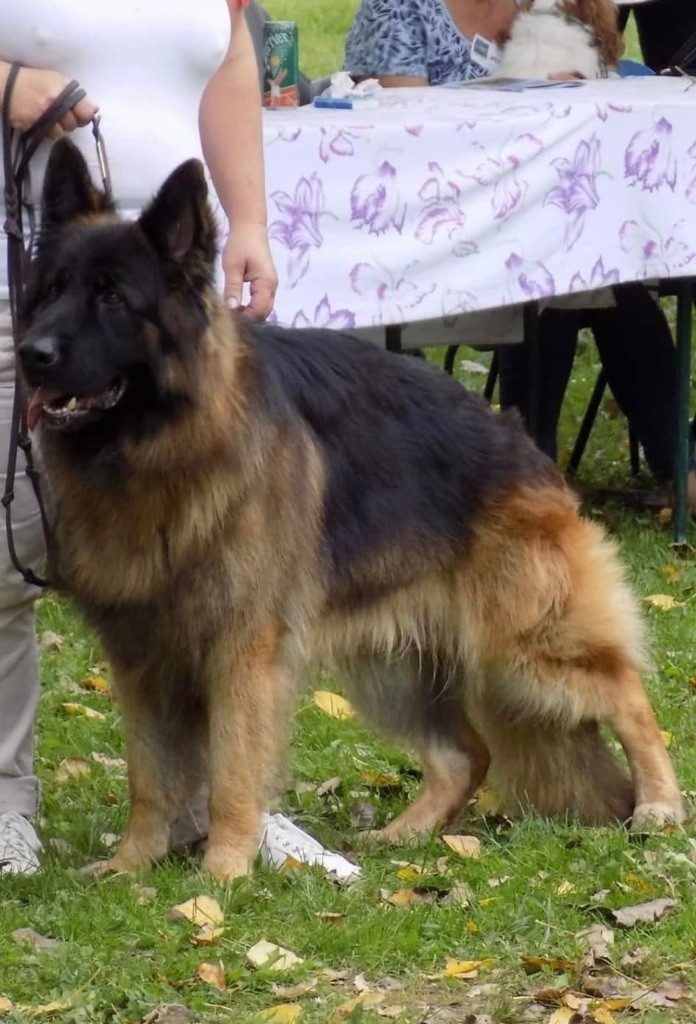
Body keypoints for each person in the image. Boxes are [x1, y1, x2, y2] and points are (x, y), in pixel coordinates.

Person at [0, 0, 277, 875]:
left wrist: (249, 219)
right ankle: (6, 805)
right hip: (30, 280)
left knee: (205, 581)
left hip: (162, 299)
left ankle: (218, 808)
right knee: (3, 565)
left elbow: (229, 58)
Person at [344, 0, 694, 491]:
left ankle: (664, 468)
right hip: (424, 235)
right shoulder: (400, 10)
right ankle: (538, 474)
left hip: (526, 224)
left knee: (589, 274)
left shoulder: (533, 4)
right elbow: (408, 142)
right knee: (559, 271)